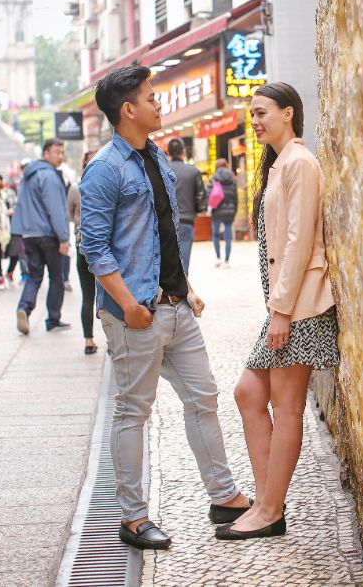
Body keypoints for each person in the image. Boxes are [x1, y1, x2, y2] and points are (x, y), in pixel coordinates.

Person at [80, 65, 250, 551]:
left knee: (203, 397)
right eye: (151, 98)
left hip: (176, 307)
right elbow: (95, 248)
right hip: (137, 312)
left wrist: (186, 286)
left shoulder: (154, 156)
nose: (159, 104)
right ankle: (133, 518)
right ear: (128, 109)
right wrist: (129, 305)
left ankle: (224, 497)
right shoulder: (105, 169)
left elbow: (161, 237)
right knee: (134, 410)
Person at [219, 83, 340, 541]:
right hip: (286, 306)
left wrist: (282, 312)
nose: (254, 121)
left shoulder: (300, 163)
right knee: (249, 394)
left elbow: (299, 241)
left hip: (301, 307)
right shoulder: (279, 164)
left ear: (289, 113)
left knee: (287, 407)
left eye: (262, 112)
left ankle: (269, 510)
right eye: (251, 114)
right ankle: (266, 501)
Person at [11, 138, 71, 333]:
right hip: (48, 234)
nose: (60, 156)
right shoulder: (50, 176)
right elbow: (56, 210)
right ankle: (53, 319)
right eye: (56, 152)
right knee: (56, 277)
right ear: (46, 154)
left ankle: (24, 308)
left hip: (28, 234)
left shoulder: (29, 175)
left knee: (34, 276)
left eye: (62, 153)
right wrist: (63, 238)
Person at [69, 150, 99, 355]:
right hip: (106, 250)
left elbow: (70, 215)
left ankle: (89, 340)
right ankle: (115, 342)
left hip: (83, 247)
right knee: (110, 297)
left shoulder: (75, 188)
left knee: (88, 296)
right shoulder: (108, 185)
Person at [165, 137, 206, 273]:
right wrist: (199, 210)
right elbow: (201, 197)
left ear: (168, 152)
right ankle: (182, 286)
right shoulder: (193, 171)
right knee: (184, 262)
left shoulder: (162, 170)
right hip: (186, 221)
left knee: (166, 263)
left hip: (165, 222)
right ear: (183, 151)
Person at [206, 159, 237, 269]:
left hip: (216, 211)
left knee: (216, 235)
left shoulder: (213, 178)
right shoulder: (232, 179)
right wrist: (234, 210)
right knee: (228, 236)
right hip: (229, 211)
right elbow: (235, 198)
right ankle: (226, 261)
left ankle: (218, 258)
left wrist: (208, 208)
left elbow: (208, 195)